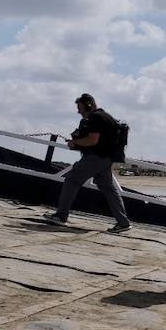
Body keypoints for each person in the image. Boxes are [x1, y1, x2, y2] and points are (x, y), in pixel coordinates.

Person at [41, 94, 130, 232]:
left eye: (80, 108)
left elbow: (92, 140)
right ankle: (123, 223)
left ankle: (61, 216)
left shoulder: (95, 118)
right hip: (107, 157)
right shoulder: (105, 116)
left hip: (97, 157)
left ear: (89, 105)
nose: (78, 112)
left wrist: (74, 142)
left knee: (71, 179)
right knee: (107, 187)